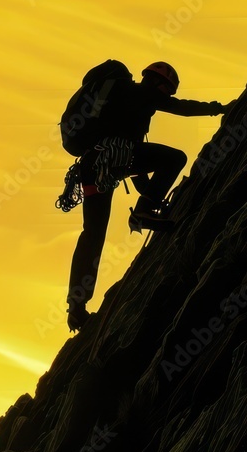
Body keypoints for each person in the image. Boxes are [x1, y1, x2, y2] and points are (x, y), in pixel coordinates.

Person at [59, 61, 234, 332]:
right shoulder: (141, 93)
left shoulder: (120, 103)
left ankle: (76, 307)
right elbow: (182, 108)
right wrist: (219, 109)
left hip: (93, 168)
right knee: (176, 158)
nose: (168, 96)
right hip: (112, 160)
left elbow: (137, 170)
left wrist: (153, 197)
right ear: (157, 82)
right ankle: (143, 213)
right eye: (167, 89)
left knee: (92, 234)